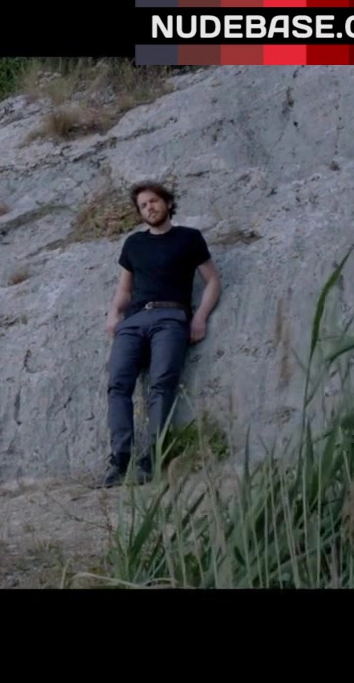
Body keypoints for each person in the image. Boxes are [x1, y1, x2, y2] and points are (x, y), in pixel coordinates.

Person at [100, 180, 221, 487]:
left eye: (153, 201)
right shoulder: (133, 244)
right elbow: (125, 289)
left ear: (167, 203)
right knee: (117, 385)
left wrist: (200, 318)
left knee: (161, 384)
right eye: (143, 205)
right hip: (134, 320)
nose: (149, 208)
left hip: (170, 317)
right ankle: (120, 459)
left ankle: (152, 457)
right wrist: (114, 314)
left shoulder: (189, 238)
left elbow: (212, 281)